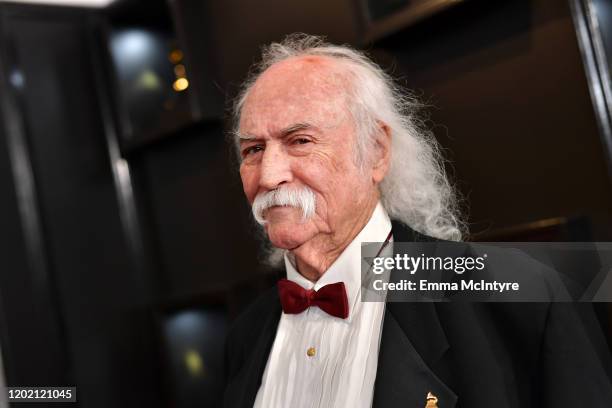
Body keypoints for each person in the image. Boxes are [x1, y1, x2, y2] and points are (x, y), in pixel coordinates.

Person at [223, 34, 612, 407]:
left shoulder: (525, 298)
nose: (269, 175)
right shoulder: (245, 336)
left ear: (375, 152)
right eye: (253, 149)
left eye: (300, 141)